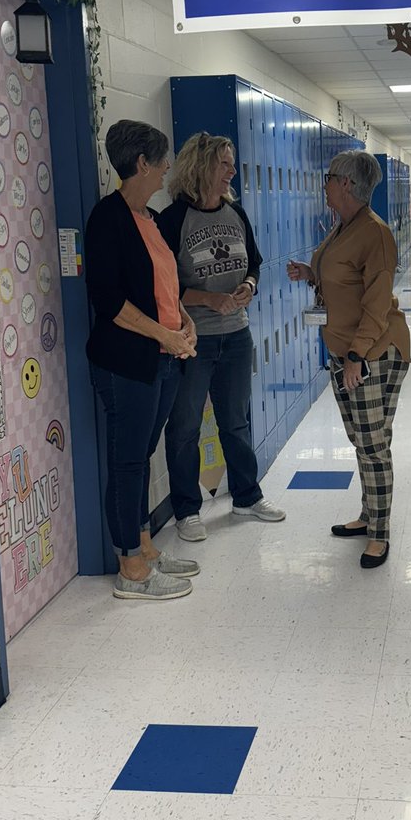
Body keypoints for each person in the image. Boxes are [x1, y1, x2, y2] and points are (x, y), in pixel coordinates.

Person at [85, 119, 201, 601]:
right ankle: (130, 568)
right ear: (141, 164)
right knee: (128, 461)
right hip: (127, 363)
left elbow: (164, 289)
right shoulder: (107, 219)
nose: (167, 168)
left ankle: (146, 548)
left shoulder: (149, 218)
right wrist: (164, 336)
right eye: (161, 161)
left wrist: (184, 325)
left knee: (142, 454)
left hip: (162, 357)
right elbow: (109, 301)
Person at [158, 132, 286, 541]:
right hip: (193, 341)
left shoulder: (237, 214)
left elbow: (257, 262)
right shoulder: (174, 220)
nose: (232, 170)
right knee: (184, 428)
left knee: (236, 422)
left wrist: (249, 285)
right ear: (201, 168)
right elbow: (162, 286)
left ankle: (247, 497)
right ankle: (186, 510)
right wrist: (206, 300)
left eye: (231, 163)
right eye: (225, 163)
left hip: (236, 337)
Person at [287, 150, 411, 569]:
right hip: (345, 352)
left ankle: (380, 534)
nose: (323, 184)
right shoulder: (343, 227)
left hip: (373, 352)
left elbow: (376, 305)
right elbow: (340, 277)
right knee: (360, 439)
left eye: (328, 177)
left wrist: (357, 355)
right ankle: (367, 514)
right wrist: (311, 273)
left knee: (374, 444)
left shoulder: (374, 234)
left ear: (347, 184)